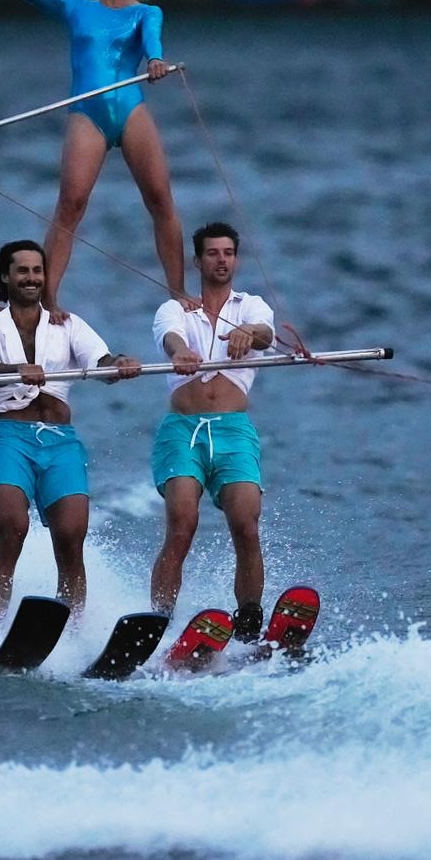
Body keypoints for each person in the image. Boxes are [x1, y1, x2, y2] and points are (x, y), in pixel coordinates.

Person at [0, 0, 193, 318]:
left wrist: (157, 60)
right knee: (71, 203)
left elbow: (152, 42)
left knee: (161, 198)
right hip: (87, 114)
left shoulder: (147, 13)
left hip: (129, 109)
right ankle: (48, 299)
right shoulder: (77, 8)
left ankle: (177, 291)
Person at [0, 239, 141, 621]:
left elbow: (100, 361)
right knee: (11, 528)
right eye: (22, 271)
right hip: (9, 439)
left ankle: (73, 629)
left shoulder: (66, 323)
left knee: (72, 538)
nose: (31, 278)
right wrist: (15, 369)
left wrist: (118, 364)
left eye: (37, 271)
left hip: (60, 442)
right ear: (5, 276)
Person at [147, 221, 276, 640]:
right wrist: (181, 351)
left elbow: (265, 334)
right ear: (198, 260)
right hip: (183, 430)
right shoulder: (176, 308)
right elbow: (170, 338)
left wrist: (248, 332)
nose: (222, 260)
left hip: (234, 431)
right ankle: (159, 621)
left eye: (228, 253)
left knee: (247, 524)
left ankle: (250, 620)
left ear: (236, 259)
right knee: (182, 522)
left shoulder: (251, 306)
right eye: (213, 253)